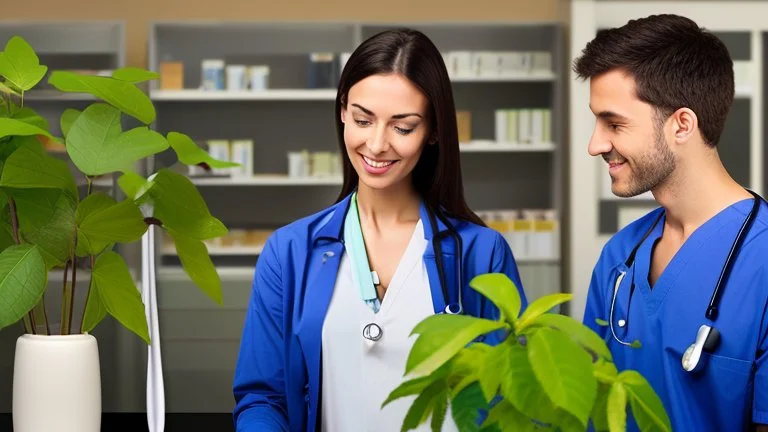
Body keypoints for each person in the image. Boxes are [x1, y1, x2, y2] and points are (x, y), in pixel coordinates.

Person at [232, 28, 527, 432]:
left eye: (402, 127)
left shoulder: (481, 253)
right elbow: (262, 397)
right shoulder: (289, 253)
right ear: (342, 111)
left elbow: (511, 397)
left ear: (434, 132)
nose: (375, 144)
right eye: (362, 119)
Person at [574, 14, 768, 431]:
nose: (595, 145)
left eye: (614, 123)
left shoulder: (762, 260)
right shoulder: (619, 258)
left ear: (682, 124)